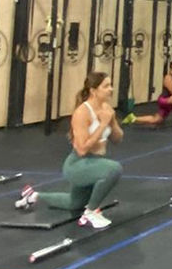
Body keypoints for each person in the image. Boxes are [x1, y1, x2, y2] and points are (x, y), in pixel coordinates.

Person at [15, 72, 124, 229]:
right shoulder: (82, 113)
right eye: (106, 86)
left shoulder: (106, 108)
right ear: (93, 91)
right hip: (78, 165)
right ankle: (90, 213)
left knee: (75, 203)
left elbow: (117, 139)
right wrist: (102, 125)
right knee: (114, 169)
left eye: (111, 85)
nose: (111, 89)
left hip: (94, 164)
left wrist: (111, 122)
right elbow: (82, 149)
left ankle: (33, 196)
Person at [122, 60, 172, 129]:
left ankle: (132, 118)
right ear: (171, 71)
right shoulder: (168, 78)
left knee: (156, 120)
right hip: (164, 101)